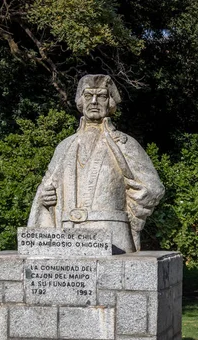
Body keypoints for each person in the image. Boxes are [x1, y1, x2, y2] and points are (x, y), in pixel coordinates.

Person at [28, 74, 165, 253]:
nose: (94, 101)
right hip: (66, 235)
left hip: (112, 234)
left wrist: (132, 210)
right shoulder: (64, 146)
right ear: (81, 102)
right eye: (88, 96)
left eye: (101, 96)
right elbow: (46, 187)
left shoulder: (124, 144)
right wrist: (44, 196)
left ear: (110, 102)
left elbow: (153, 188)